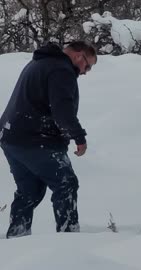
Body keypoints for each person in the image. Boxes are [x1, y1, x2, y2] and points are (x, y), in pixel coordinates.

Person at [0, 41, 97, 238]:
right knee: (66, 184)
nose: (86, 72)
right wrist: (78, 136)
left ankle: (17, 237)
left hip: (11, 136)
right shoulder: (61, 70)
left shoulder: (40, 62)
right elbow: (62, 111)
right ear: (79, 56)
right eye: (88, 66)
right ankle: (69, 238)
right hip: (35, 138)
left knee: (29, 190)